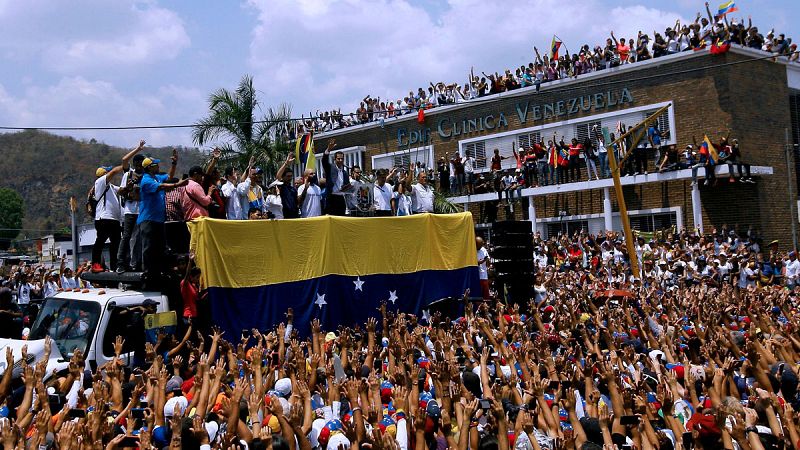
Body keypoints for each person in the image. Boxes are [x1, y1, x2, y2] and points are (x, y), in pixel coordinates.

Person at [138, 153, 187, 284]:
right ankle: (148, 271)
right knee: (148, 247)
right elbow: (162, 187)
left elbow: (169, 177)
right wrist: (177, 185)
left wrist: (174, 164)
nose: (158, 166)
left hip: (159, 219)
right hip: (148, 219)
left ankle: (160, 269)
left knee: (160, 246)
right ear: (149, 167)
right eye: (156, 165)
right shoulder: (146, 180)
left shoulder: (157, 177)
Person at [321, 139, 351, 216]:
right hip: (331, 198)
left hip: (341, 198)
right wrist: (328, 149)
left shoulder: (345, 173)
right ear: (335, 159)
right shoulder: (330, 168)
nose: (340, 160)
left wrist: (349, 188)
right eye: (338, 158)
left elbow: (347, 186)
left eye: (342, 159)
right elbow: (324, 161)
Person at [276, 153, 300, 219]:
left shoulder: (293, 189)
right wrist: (286, 163)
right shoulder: (281, 187)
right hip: (284, 216)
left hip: (294, 216)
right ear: (283, 177)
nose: (290, 178)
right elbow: (278, 176)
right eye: (288, 176)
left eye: (291, 176)